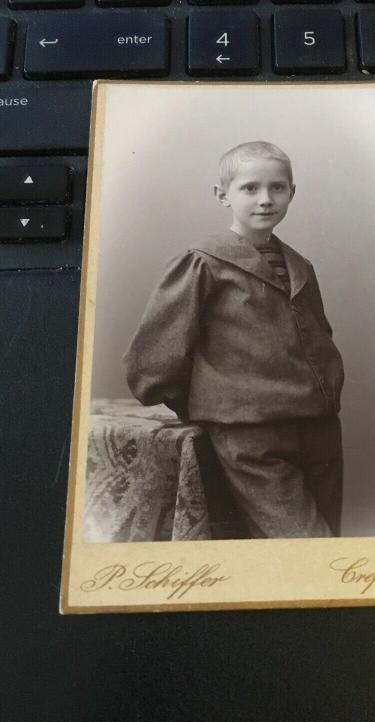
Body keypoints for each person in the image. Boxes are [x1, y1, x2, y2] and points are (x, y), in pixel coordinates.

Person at [123, 141, 344, 538]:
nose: (265, 199)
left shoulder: (299, 265)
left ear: (292, 192)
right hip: (251, 430)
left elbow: (318, 337)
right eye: (249, 188)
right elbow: (154, 356)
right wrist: (206, 405)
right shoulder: (203, 262)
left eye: (277, 188)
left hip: (318, 427)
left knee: (330, 539)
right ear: (222, 195)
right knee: (307, 545)